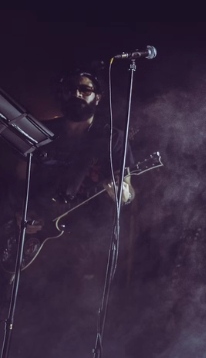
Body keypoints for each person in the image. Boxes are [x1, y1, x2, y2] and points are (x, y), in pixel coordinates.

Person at [0, 66, 135, 355]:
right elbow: (18, 182)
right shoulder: (44, 134)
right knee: (22, 324)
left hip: (81, 252)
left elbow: (127, 190)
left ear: (98, 97)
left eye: (85, 90)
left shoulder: (111, 138)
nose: (77, 94)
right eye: (71, 89)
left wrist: (120, 194)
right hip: (33, 244)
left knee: (68, 326)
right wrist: (19, 214)